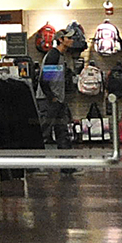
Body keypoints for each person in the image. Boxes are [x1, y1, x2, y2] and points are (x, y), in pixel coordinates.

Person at [40, 30, 78, 176]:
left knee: (62, 132)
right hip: (50, 101)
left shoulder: (60, 56)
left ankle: (67, 166)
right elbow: (44, 80)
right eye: (69, 38)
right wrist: (52, 98)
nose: (72, 40)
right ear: (61, 40)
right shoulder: (54, 56)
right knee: (44, 132)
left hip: (57, 100)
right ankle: (32, 165)